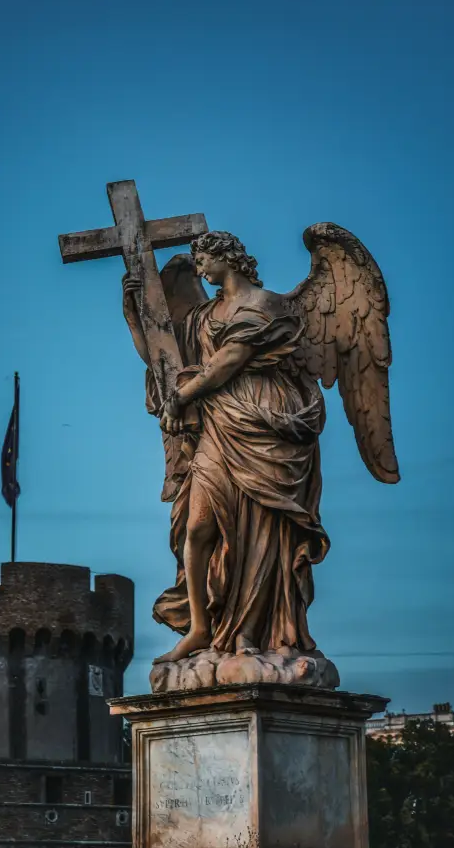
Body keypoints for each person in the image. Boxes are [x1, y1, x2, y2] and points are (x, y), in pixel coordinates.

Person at [122, 231, 330, 664]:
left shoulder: (267, 305)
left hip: (264, 421)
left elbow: (227, 361)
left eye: (203, 260)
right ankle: (201, 628)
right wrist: (134, 316)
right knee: (196, 528)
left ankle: (251, 632)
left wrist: (182, 397)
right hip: (219, 425)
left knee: (260, 532)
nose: (198, 269)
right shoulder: (202, 316)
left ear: (227, 258)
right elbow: (165, 362)